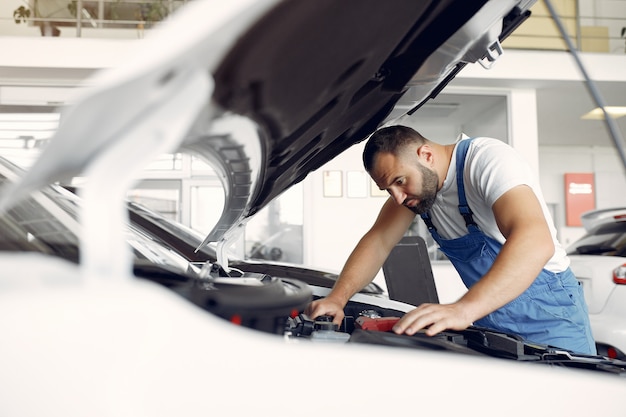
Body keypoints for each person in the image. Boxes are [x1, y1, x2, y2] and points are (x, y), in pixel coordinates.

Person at [306, 125, 596, 355]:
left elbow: (535, 240)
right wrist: (337, 298)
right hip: (491, 322)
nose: (397, 197)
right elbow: (378, 241)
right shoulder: (417, 195)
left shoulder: (487, 160)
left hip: (553, 319)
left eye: (399, 181)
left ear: (426, 155)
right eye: (387, 189)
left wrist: (463, 308)